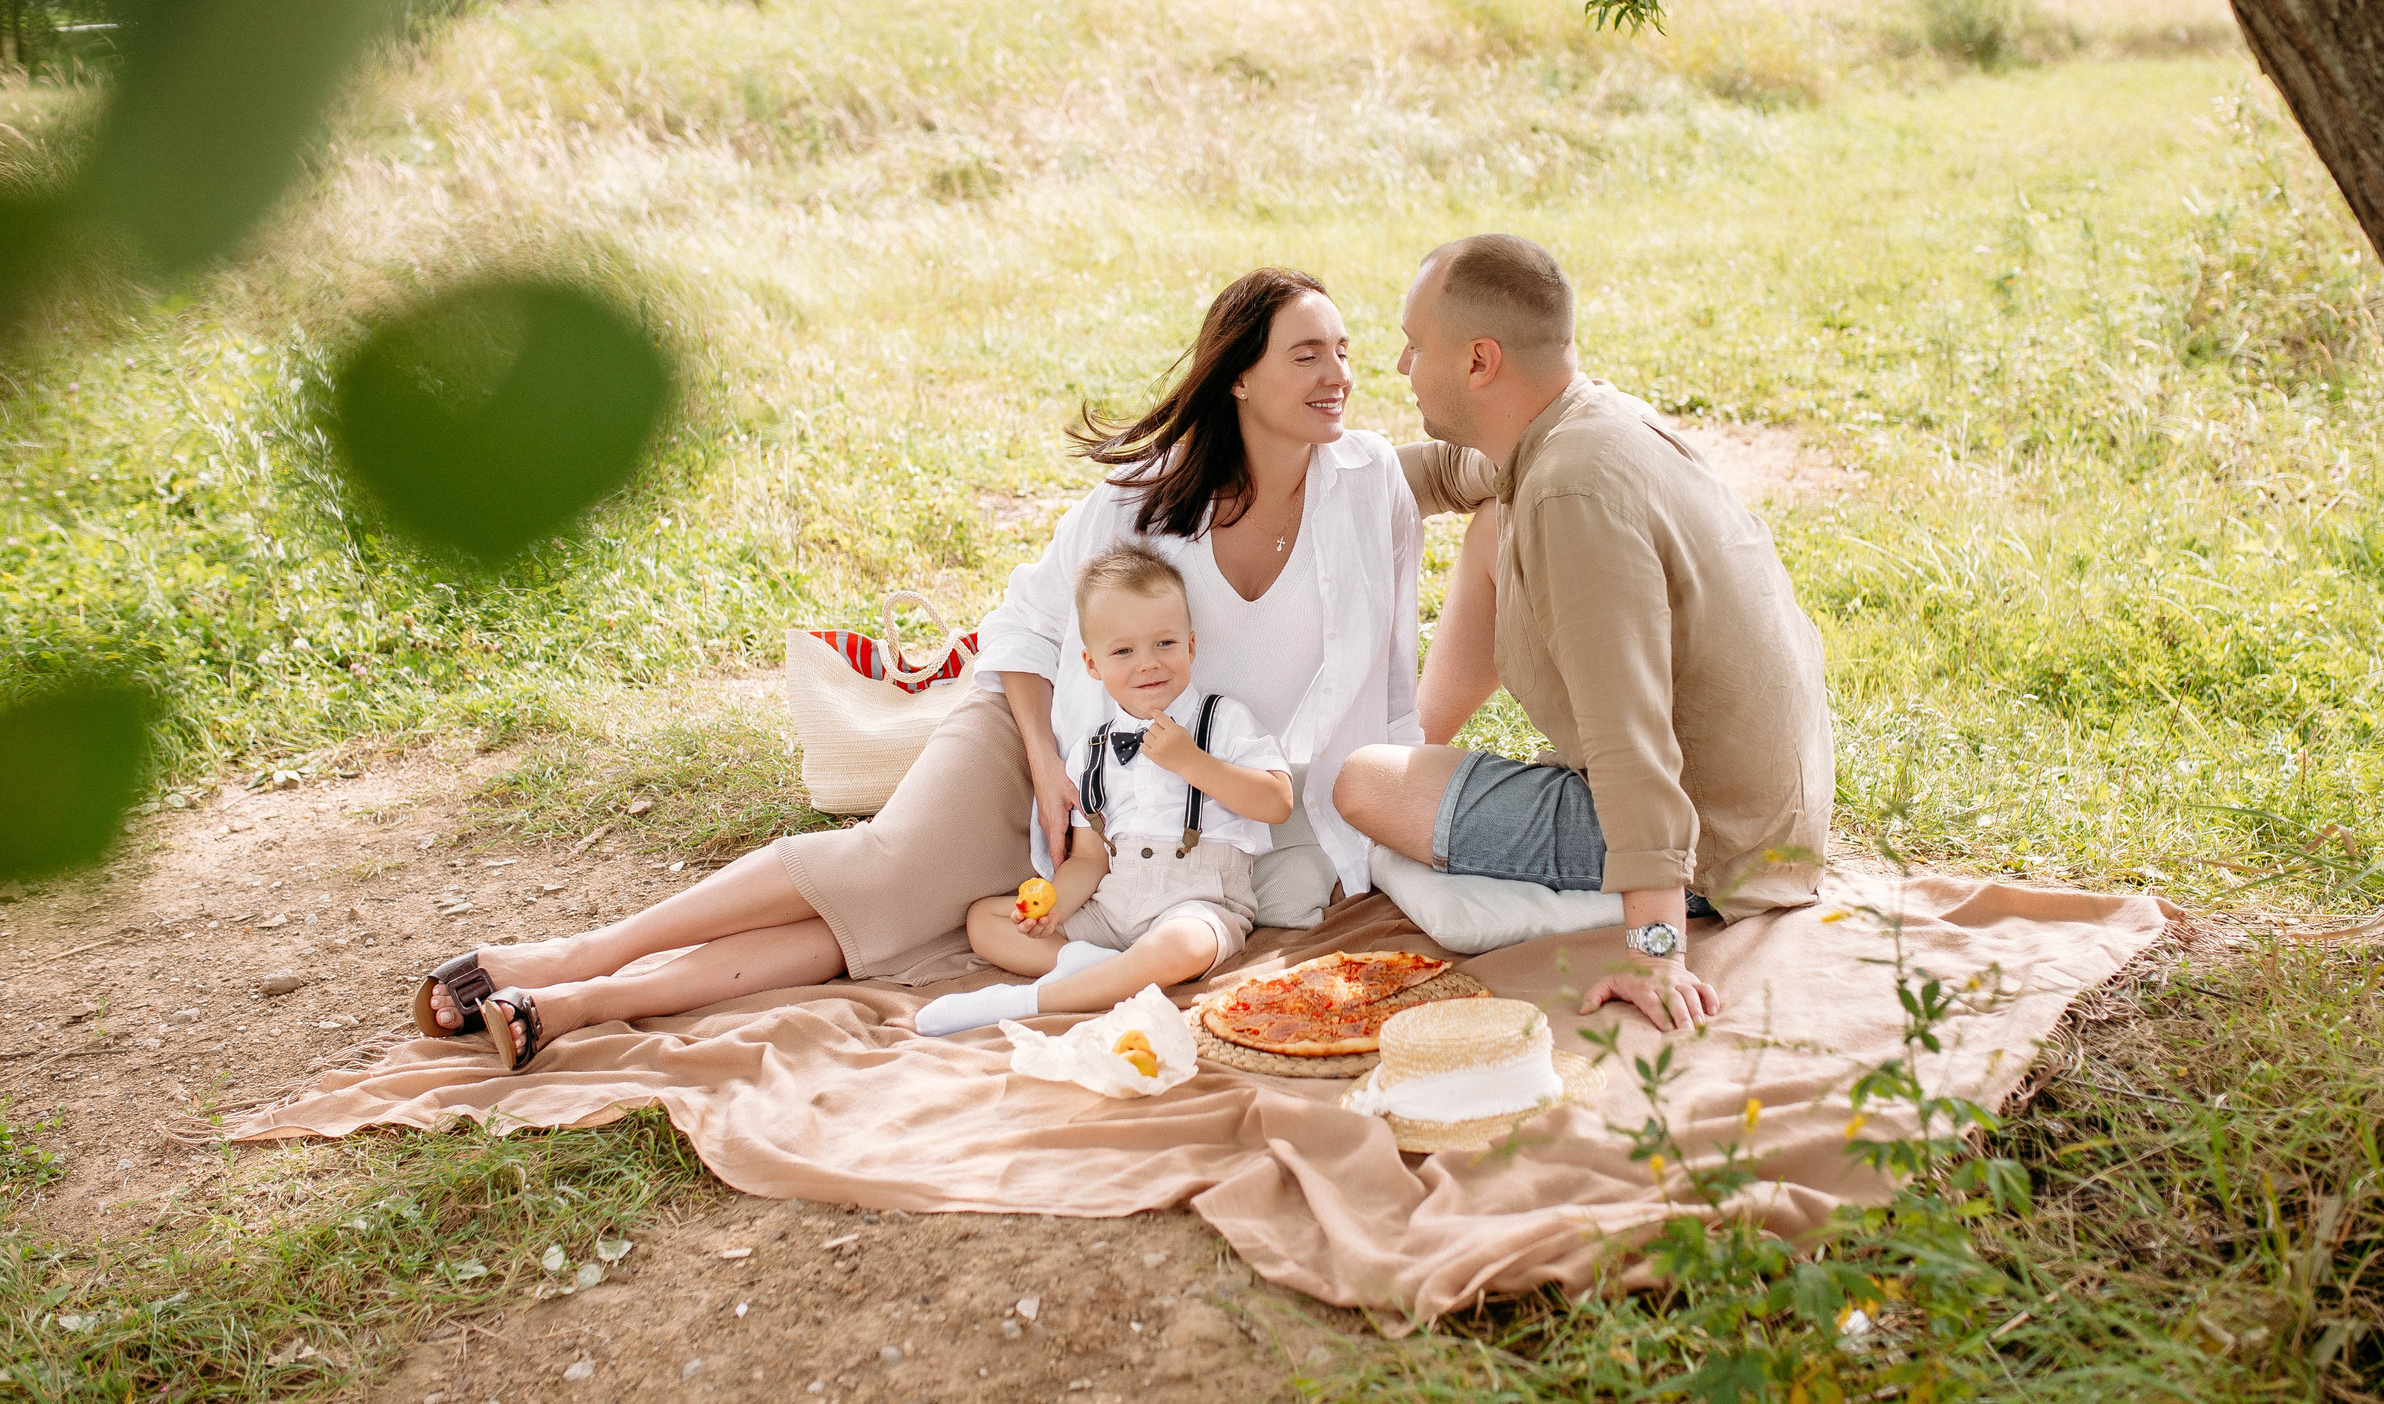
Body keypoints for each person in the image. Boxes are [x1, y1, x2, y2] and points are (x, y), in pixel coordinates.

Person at [414, 267, 1421, 1069]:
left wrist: (1360, 837)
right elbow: (1024, 633)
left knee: (875, 935)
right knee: (889, 872)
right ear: (1240, 376)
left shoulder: (1368, 487)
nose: (1336, 373)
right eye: (1306, 354)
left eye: (1343, 351)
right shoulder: (1136, 504)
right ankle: (575, 954)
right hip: (1038, 742)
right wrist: (1042, 766)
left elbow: (1386, 686)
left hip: (1133, 820)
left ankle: (574, 1005)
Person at [1334, 233, 1834, 1036]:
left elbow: (1629, 739)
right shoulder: (1575, 424)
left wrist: (1656, 950)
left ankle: (1619, 891)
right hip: (1764, 808)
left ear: (1478, 361)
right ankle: (1422, 743)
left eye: (1415, 344)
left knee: (1362, 784)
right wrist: (1289, 483)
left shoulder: (1571, 497)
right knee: (1493, 524)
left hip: (1719, 844)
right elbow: (1451, 475)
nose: (1400, 365)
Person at [915, 545, 1294, 1034]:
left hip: (1197, 901)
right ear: (1092, 665)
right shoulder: (1090, 750)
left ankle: (1033, 999)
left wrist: (1191, 761)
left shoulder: (1221, 720)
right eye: (1123, 651)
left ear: (1191, 646)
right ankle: (1097, 967)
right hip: (1114, 908)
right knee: (984, 921)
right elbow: (1091, 861)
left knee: (1182, 948)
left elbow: (1277, 802)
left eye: (1165, 644)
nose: (1148, 664)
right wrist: (1053, 908)